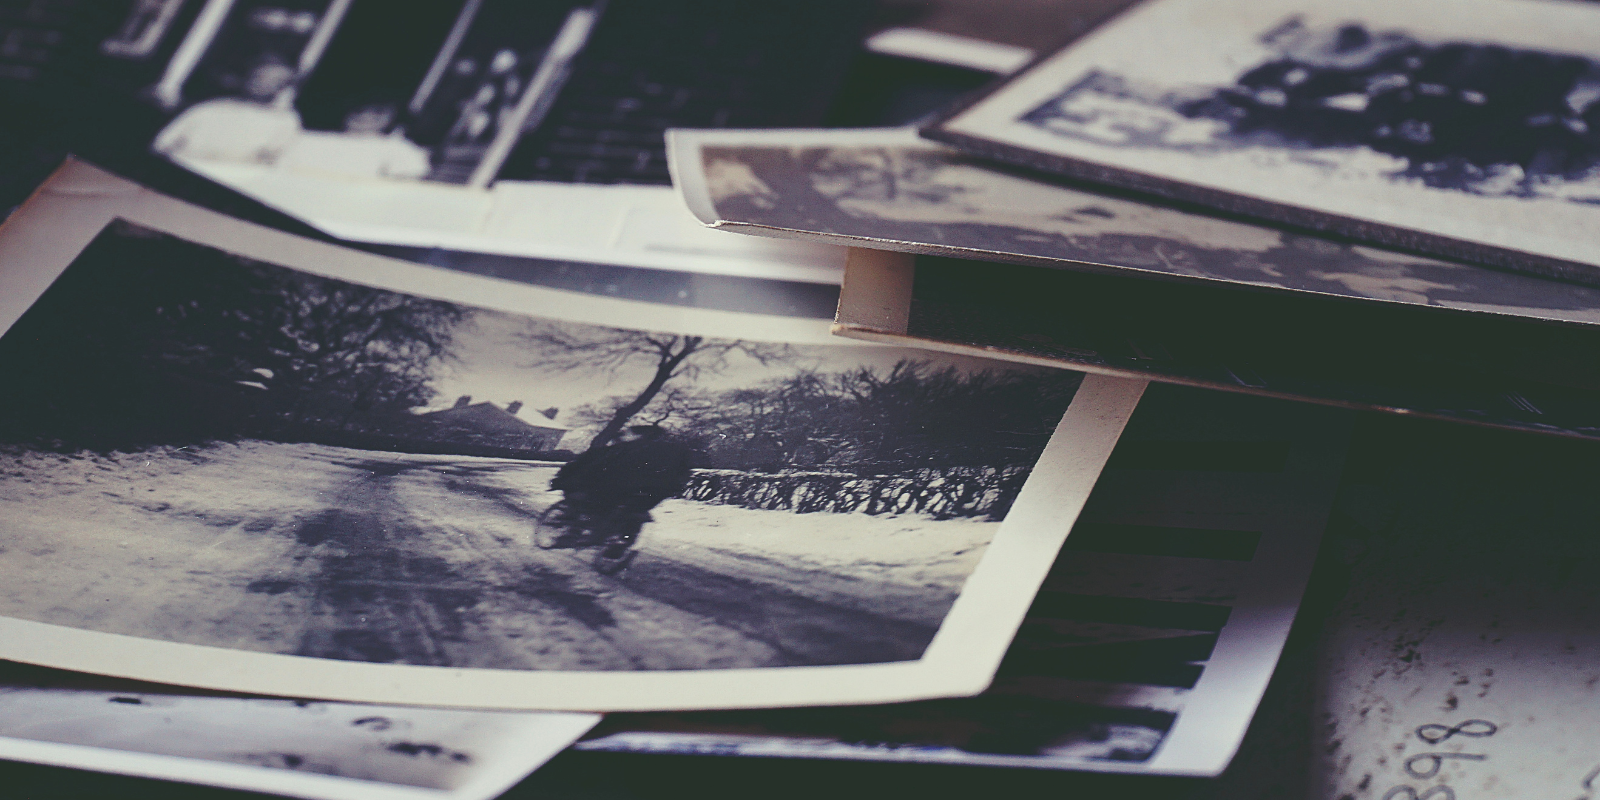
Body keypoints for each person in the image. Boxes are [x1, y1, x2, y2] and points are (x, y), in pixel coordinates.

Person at [549, 424, 693, 562]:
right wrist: (675, 488)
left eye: (629, 433)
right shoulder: (678, 450)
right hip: (657, 492)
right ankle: (621, 541)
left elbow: (601, 466)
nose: (625, 436)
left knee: (592, 504)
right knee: (635, 512)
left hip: (622, 487)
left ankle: (575, 533)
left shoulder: (628, 447)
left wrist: (570, 480)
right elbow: (685, 472)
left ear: (639, 435)